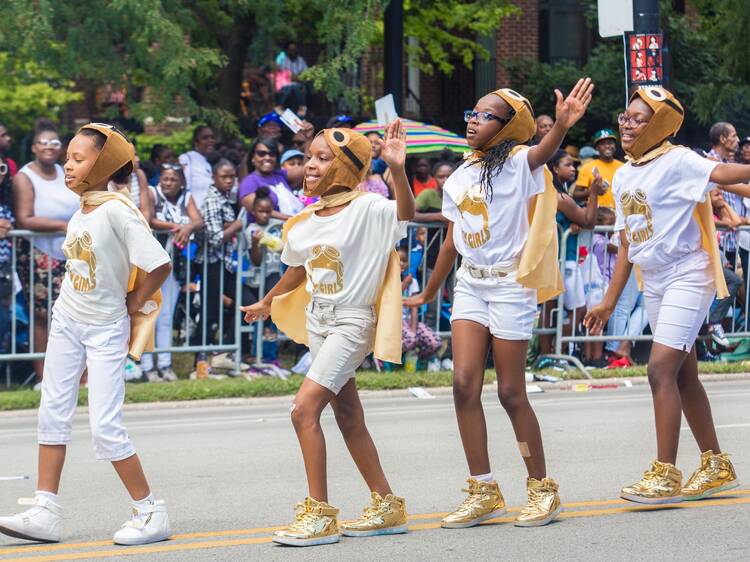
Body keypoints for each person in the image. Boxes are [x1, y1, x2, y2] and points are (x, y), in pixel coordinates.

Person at [406, 80, 594, 528]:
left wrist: (562, 125)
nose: (472, 119)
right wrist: (431, 291)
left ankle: (542, 488)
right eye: (472, 112)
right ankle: (483, 489)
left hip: (510, 285)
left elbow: (542, 152)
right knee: (462, 385)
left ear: (508, 127)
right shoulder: (461, 174)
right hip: (471, 284)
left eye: (484, 115)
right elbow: (451, 241)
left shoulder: (519, 162)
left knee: (511, 393)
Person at [242, 121, 413, 546]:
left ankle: (319, 514)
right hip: (319, 320)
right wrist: (268, 301)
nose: (310, 166)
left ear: (348, 165)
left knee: (303, 411)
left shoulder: (369, 209)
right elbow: (298, 269)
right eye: (309, 158)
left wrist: (397, 170)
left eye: (322, 158)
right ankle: (387, 504)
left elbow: (405, 213)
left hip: (351, 322)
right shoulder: (306, 220)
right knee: (348, 414)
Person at [0, 123, 172, 545]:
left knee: (105, 426)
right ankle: (45, 510)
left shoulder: (117, 209)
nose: (67, 165)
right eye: (67, 158)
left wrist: (133, 303)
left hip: (104, 328)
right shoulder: (82, 210)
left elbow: (159, 264)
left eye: (78, 159)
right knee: (51, 411)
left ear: (105, 163)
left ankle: (151, 512)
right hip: (66, 321)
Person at [584, 86, 750, 505]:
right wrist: (607, 300)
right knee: (683, 374)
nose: (627, 124)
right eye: (625, 116)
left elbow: (726, 175)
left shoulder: (679, 160)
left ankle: (665, 474)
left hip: (688, 274)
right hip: (654, 279)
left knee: (659, 369)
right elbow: (627, 244)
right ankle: (715, 464)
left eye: (638, 118)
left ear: (659, 125)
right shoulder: (623, 174)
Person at [13, 120, 80, 387]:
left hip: (71, 253)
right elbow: (24, 218)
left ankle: (75, 375)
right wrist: (63, 226)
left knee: (74, 314)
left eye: (54, 143)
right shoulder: (25, 177)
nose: (49, 147)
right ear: (33, 148)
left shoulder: (67, 173)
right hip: (39, 254)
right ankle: (43, 376)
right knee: (43, 315)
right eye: (43, 143)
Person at [539, 150, 604, 361]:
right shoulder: (560, 197)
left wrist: (574, 219)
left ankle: (546, 354)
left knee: (549, 310)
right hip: (565, 260)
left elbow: (579, 218)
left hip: (551, 260)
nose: (573, 169)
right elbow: (590, 221)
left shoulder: (548, 193)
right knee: (579, 310)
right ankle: (555, 351)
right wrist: (593, 193)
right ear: (555, 169)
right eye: (568, 165)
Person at [141, 165, 203, 382]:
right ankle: (148, 366)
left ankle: (165, 365)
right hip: (150, 264)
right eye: (165, 178)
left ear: (181, 182)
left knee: (166, 317)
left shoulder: (186, 197)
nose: (169, 183)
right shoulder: (151, 192)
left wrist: (188, 228)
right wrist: (177, 226)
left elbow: (198, 220)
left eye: (173, 179)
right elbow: (148, 219)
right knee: (149, 315)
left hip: (175, 264)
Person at [198, 158, 243, 370]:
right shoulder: (212, 199)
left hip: (226, 264)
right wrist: (236, 226)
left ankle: (222, 350)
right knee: (209, 312)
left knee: (243, 302)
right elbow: (216, 238)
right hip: (212, 263)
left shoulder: (227, 197)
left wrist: (229, 226)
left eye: (231, 177)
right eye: (223, 177)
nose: (228, 181)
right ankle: (201, 358)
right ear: (214, 177)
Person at [239, 138, 304, 220]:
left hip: (294, 226)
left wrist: (309, 139)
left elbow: (306, 168)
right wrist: (293, 220)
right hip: (269, 231)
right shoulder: (248, 182)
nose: (267, 157)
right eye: (261, 154)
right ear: (252, 158)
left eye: (272, 154)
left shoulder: (280, 175)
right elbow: (260, 211)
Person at [398, 246, 442, 366]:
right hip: (395, 323)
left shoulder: (413, 282)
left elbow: (414, 306)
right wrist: (404, 285)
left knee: (435, 341)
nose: (401, 263)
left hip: (409, 322)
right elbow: (390, 300)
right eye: (398, 260)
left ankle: (418, 360)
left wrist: (413, 328)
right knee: (410, 340)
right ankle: (395, 363)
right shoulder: (387, 281)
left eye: (404, 260)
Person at [573, 129, 623, 209]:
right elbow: (576, 195)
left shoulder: (623, 167)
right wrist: (593, 191)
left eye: (610, 143)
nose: (607, 146)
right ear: (597, 148)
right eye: (603, 144)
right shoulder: (587, 167)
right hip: (597, 215)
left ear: (614, 146)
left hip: (620, 213)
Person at [178, 125, 216, 209]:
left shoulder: (208, 162)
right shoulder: (187, 158)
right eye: (205, 138)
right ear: (196, 142)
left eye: (212, 137)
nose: (210, 141)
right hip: (193, 209)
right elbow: (184, 186)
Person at [274, 41, 309, 115]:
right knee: (291, 86)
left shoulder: (300, 60)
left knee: (295, 86)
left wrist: (294, 77)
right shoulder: (283, 60)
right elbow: (283, 75)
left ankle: (280, 106)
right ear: (287, 50)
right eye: (291, 49)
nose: (293, 51)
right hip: (285, 85)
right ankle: (302, 107)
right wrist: (294, 77)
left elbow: (306, 74)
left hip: (299, 85)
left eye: (294, 49)